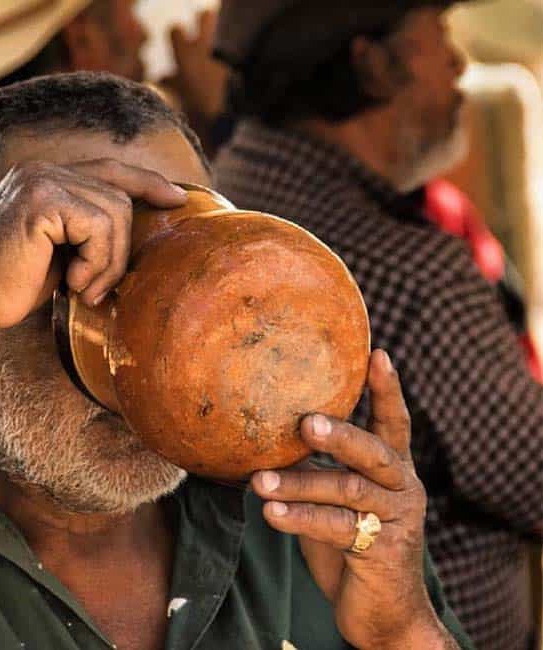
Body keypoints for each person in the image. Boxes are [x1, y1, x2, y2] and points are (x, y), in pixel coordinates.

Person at [0, 72, 472, 650]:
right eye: (71, 253)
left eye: (183, 249)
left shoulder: (314, 521)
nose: (154, 319)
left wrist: (403, 627)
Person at [212, 3, 543, 649]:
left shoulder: (226, 190)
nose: (458, 63)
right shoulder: (417, 271)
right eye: (437, 38)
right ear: (371, 65)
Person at [0, 0, 226, 307]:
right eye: (129, 10)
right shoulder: (69, 167)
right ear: (83, 39)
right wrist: (214, 118)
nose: (142, 33)